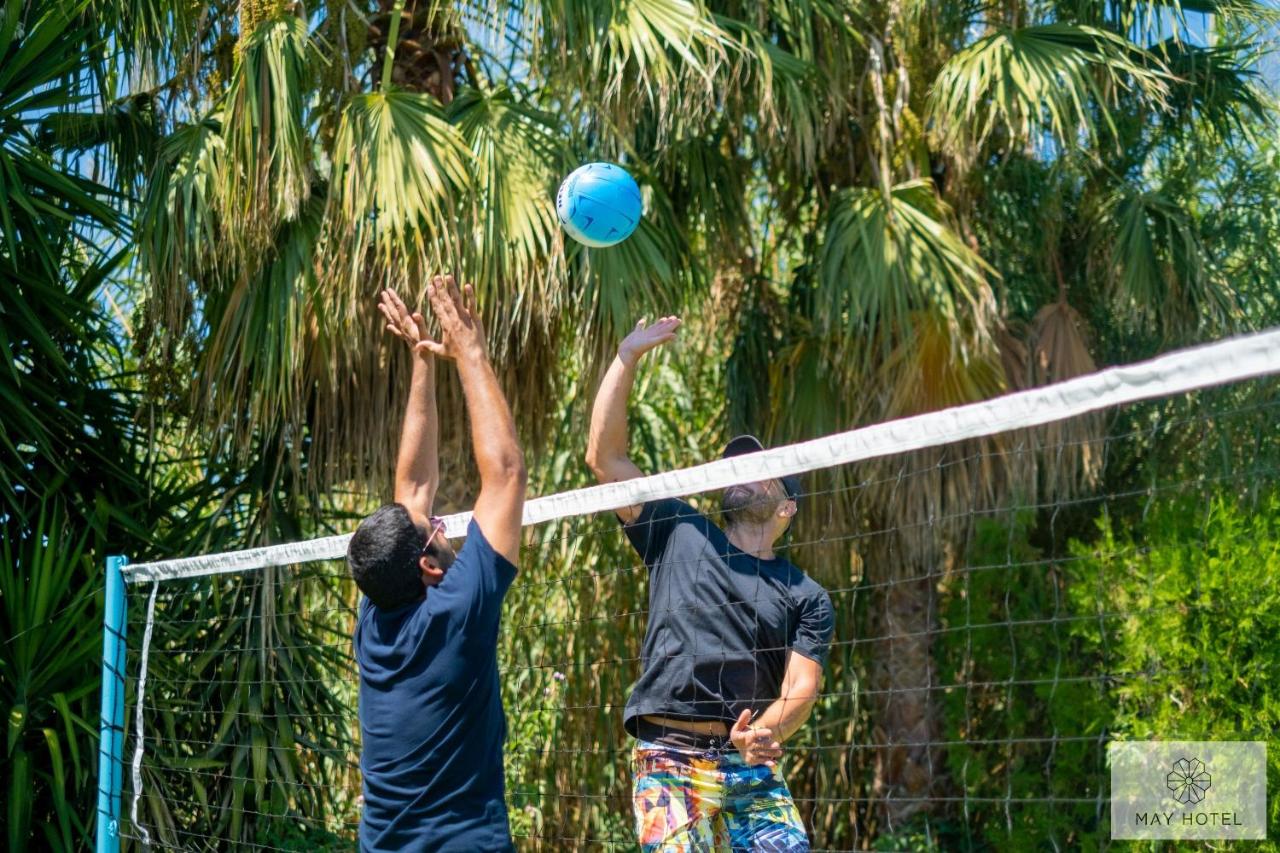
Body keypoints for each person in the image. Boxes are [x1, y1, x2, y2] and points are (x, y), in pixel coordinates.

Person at [586, 316, 834, 852]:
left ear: (788, 505)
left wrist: (765, 732)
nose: (740, 472)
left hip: (749, 760)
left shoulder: (806, 594)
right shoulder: (678, 528)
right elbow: (605, 460)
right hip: (670, 757)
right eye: (734, 466)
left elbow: (801, 687)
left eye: (757, 467)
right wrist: (625, 358)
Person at [346, 275, 526, 852]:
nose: (441, 523)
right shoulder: (456, 613)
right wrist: (470, 352)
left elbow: (412, 494)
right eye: (436, 530)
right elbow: (505, 474)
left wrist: (423, 359)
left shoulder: (376, 614)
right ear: (428, 566)